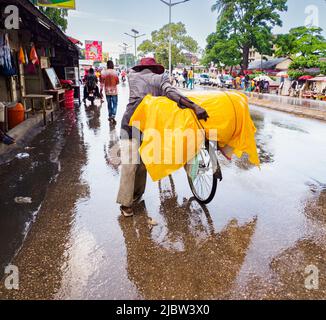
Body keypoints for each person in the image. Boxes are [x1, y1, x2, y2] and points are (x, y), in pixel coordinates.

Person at [117, 57, 209, 217]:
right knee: (141, 163)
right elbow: (171, 92)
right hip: (149, 127)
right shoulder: (160, 78)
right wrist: (193, 105)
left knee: (131, 164)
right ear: (155, 68)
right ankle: (135, 196)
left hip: (130, 123)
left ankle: (127, 203)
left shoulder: (132, 76)